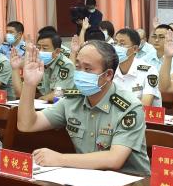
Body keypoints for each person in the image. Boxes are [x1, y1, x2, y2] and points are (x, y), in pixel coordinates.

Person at [17, 40, 150, 176]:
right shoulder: (73, 100)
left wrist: (60, 159)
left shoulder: (129, 106)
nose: (80, 73)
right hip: (88, 177)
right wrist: (29, 84)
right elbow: (27, 124)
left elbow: (114, 159)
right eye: (78, 67)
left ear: (108, 75)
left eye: (87, 69)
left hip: (131, 182)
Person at [9, 29, 76, 101]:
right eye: (38, 47)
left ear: (57, 52)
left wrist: (41, 100)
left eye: (45, 48)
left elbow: (60, 93)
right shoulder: (36, 63)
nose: (40, 51)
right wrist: (15, 69)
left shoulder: (66, 65)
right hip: (43, 104)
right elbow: (21, 93)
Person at [112, 28, 162, 107]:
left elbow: (145, 105)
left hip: (140, 114)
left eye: (122, 44)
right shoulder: (110, 70)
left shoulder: (149, 71)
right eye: (115, 43)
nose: (117, 47)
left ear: (135, 49)